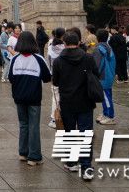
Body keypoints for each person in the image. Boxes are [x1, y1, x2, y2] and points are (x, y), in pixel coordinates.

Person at [52, 31, 99, 180]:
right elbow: (96, 75)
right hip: (85, 100)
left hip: (67, 101)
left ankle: (72, 162)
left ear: (64, 43)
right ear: (79, 42)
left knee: (70, 132)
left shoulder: (59, 60)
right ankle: (86, 166)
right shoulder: (88, 58)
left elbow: (55, 82)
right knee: (86, 133)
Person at [8, 31, 51, 167]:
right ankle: (34, 156)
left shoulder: (14, 59)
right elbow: (47, 78)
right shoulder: (38, 59)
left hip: (19, 97)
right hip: (34, 98)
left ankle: (23, 152)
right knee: (33, 126)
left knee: (23, 124)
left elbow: (11, 78)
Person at [93, 29, 117, 125]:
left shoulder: (99, 49)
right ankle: (105, 112)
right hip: (109, 75)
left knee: (106, 97)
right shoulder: (108, 47)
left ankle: (110, 116)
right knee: (107, 95)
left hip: (103, 76)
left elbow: (96, 65)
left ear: (97, 38)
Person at [46, 28, 65, 128]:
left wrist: (49, 74)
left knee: (55, 97)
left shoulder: (50, 47)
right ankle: (65, 117)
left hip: (54, 74)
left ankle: (54, 118)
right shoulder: (65, 47)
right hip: (66, 75)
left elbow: (48, 62)